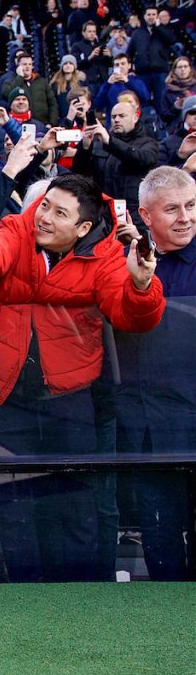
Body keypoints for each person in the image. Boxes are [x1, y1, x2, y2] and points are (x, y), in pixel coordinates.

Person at [0, 174, 165, 581]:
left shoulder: (109, 255)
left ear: (82, 228)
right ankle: (23, 598)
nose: (43, 217)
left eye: (58, 212)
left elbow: (131, 315)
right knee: (14, 507)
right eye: (45, 205)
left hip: (71, 398)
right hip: (5, 396)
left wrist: (141, 282)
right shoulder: (20, 226)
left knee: (75, 505)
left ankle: (76, 598)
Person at [113, 166, 195, 581]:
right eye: (172, 209)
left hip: (191, 412)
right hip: (144, 418)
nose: (185, 217)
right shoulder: (121, 260)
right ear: (145, 215)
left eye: (192, 206)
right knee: (157, 523)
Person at [73, 100, 160, 227]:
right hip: (103, 213)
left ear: (135, 117)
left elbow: (141, 159)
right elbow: (79, 172)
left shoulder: (148, 143)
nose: (116, 120)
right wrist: (85, 146)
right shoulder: (99, 144)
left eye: (122, 116)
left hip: (134, 214)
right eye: (113, 117)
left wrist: (109, 141)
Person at [129, 6, 176, 115]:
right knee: (142, 99)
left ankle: (161, 126)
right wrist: (130, 69)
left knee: (160, 99)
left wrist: (159, 27)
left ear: (157, 16)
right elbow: (129, 52)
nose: (151, 17)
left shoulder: (163, 30)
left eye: (153, 14)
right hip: (142, 72)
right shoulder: (137, 33)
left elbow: (172, 40)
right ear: (144, 16)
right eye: (148, 14)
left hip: (160, 72)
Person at [2, 54, 59, 125]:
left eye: (30, 64)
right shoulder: (10, 81)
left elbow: (52, 104)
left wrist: (51, 123)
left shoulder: (42, 82)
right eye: (24, 64)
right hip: (19, 125)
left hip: (43, 124)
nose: (27, 66)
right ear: (18, 66)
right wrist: (20, 77)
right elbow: (8, 94)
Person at [92, 53, 151, 120]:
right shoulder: (108, 84)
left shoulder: (136, 81)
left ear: (129, 65)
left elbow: (146, 98)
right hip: (114, 123)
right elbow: (98, 104)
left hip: (134, 121)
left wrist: (127, 82)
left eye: (123, 64)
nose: (120, 66)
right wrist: (108, 84)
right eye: (117, 65)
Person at [161, 56, 196, 128]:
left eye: (185, 66)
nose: (183, 69)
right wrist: (175, 107)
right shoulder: (168, 90)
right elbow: (163, 116)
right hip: (176, 129)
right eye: (180, 67)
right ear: (174, 70)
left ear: (190, 69)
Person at [50, 54, 88, 119]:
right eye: (65, 63)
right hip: (61, 118)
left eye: (71, 63)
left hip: (77, 118)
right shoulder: (55, 84)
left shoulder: (81, 83)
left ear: (74, 66)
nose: (68, 65)